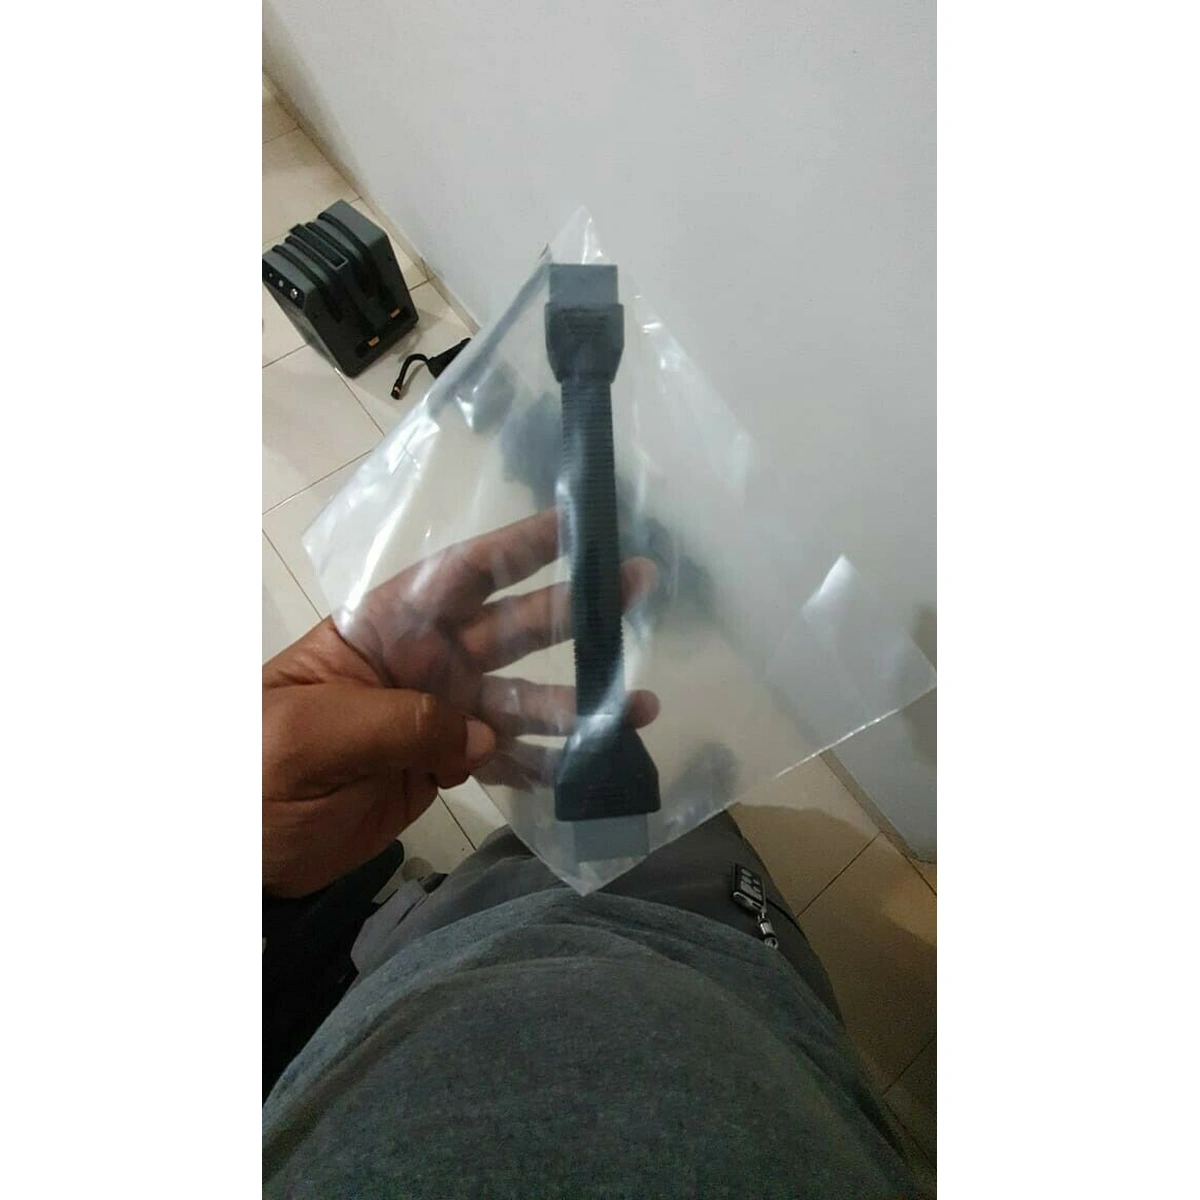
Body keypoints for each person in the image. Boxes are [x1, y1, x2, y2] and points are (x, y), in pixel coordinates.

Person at [263, 510, 922, 1197]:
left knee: (528, 852)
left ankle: (647, 813)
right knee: (687, 860)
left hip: (441, 959)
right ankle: (686, 817)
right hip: (715, 985)